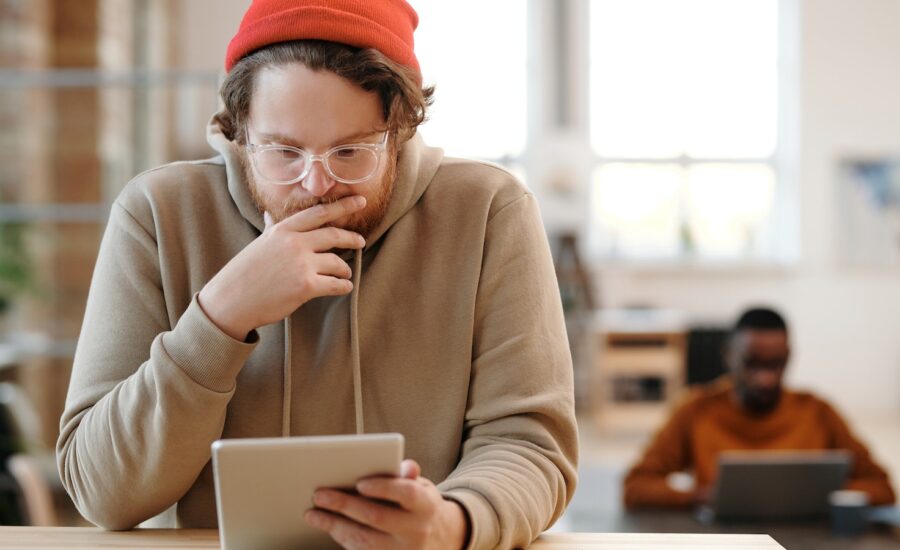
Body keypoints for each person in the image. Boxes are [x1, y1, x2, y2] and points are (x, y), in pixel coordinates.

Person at [55, 1, 578, 548]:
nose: (316, 184)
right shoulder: (157, 213)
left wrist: (454, 522)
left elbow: (530, 446)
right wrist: (220, 318)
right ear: (240, 132)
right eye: (284, 151)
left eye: (351, 151)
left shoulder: (489, 209)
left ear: (397, 130)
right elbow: (102, 492)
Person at [623, 307, 895, 509]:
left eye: (776, 364)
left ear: (789, 357)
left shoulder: (817, 412)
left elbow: (882, 488)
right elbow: (636, 487)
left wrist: (825, 495)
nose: (766, 378)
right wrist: (702, 496)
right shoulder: (697, 410)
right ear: (730, 356)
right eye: (753, 364)